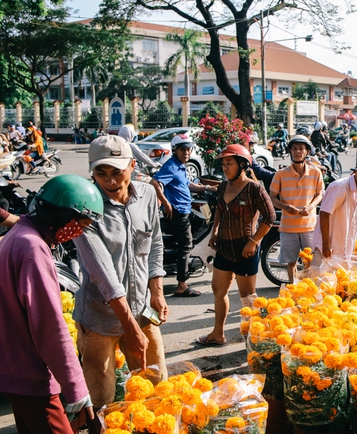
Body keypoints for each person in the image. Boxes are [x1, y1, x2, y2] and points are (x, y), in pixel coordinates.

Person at [73, 136, 168, 433]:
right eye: (101, 173)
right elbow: (105, 277)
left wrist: (157, 293)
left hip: (141, 311)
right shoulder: (84, 208)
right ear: (92, 173)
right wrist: (130, 329)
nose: (110, 181)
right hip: (100, 318)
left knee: (155, 386)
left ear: (132, 166)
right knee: (100, 397)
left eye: (117, 172)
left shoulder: (147, 195)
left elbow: (154, 244)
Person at [0, 175, 103, 434]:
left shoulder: (19, 234)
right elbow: (50, 328)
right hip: (30, 374)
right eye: (79, 224)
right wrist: (78, 391)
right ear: (62, 216)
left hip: (13, 369)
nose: (77, 233)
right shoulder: (32, 248)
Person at [199, 145, 275, 345]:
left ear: (242, 165)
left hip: (245, 250)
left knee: (247, 297)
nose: (225, 167)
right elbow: (219, 211)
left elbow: (270, 217)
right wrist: (214, 231)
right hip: (224, 247)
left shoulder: (254, 188)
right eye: (223, 163)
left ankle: (256, 338)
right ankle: (217, 333)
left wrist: (253, 241)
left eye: (229, 163)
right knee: (218, 290)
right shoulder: (223, 187)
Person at [151, 134, 217, 297]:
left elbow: (188, 185)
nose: (186, 153)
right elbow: (155, 183)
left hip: (185, 210)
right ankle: (182, 285)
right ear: (175, 150)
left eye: (188, 149)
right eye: (182, 150)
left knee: (198, 227)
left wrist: (207, 187)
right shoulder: (171, 166)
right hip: (178, 213)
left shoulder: (180, 166)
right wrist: (166, 203)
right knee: (186, 245)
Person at [270, 135, 324, 283]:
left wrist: (311, 206)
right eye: (294, 148)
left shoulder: (315, 172)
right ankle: (293, 287)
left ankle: (309, 289)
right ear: (290, 151)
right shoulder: (280, 174)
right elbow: (272, 197)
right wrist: (285, 206)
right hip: (288, 227)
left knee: (311, 262)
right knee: (291, 262)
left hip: (310, 226)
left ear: (307, 151)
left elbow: (320, 194)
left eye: (301, 148)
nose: (298, 151)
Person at [312, 158, 357, 265]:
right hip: (328, 248)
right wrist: (326, 244)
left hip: (346, 251)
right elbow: (324, 214)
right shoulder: (339, 187)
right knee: (319, 279)